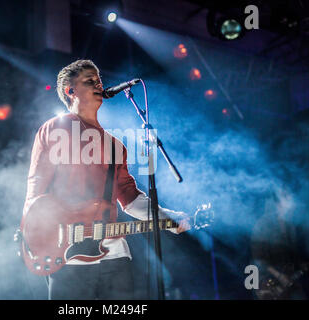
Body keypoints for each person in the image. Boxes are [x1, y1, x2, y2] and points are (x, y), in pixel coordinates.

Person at [22, 59, 190, 300]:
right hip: (69, 255)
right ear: (71, 91)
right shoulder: (55, 129)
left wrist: (168, 218)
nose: (99, 85)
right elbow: (36, 187)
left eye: (99, 80)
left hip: (115, 255)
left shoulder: (114, 144)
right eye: (90, 81)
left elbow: (130, 198)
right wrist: (36, 235)